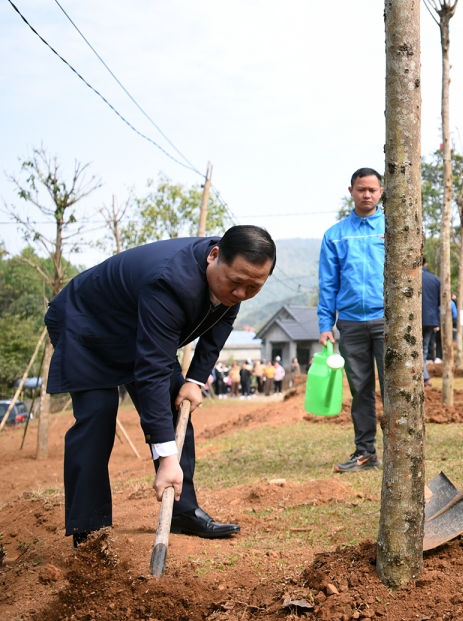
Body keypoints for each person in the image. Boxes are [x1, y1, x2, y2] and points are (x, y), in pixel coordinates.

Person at [44, 226, 275, 545]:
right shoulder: (171, 282)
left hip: (139, 330)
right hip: (87, 325)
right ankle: (89, 529)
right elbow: (151, 370)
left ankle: (182, 511)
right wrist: (167, 459)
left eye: (253, 287)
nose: (240, 294)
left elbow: (221, 323)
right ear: (214, 255)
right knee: (97, 417)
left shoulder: (233, 281)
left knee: (175, 404)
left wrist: (194, 380)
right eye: (236, 283)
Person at [318, 167, 389, 473]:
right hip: (349, 323)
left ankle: (401, 450)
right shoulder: (335, 235)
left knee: (394, 387)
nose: (367, 195)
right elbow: (327, 283)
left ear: (381, 192)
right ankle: (366, 452)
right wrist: (325, 324)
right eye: (361, 189)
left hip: (388, 321)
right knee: (360, 389)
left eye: (372, 189)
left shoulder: (392, 227)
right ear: (351, 191)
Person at [421, 257, 441, 365]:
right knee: (425, 346)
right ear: (425, 264)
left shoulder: (410, 278)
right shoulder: (436, 279)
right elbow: (440, 301)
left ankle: (423, 374)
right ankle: (424, 374)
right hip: (430, 317)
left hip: (416, 317)